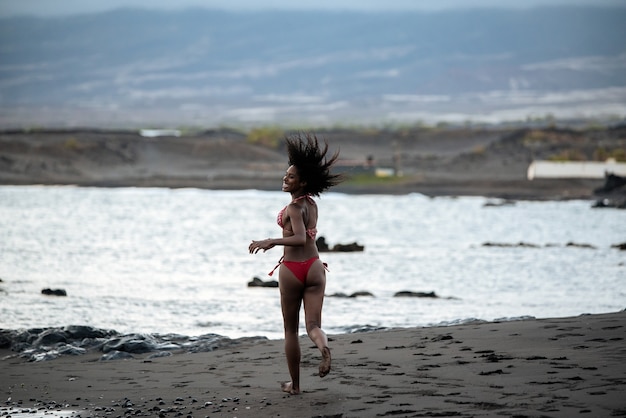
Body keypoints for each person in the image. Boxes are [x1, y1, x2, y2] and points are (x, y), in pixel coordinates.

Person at [249, 133, 343, 395]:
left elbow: (300, 238)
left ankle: (296, 386)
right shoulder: (312, 205)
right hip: (314, 266)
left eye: (290, 176)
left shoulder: (293, 208)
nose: (285, 178)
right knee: (313, 326)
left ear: (302, 182)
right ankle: (323, 347)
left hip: (292, 269)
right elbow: (306, 237)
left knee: (290, 330)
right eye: (285, 174)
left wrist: (271, 241)